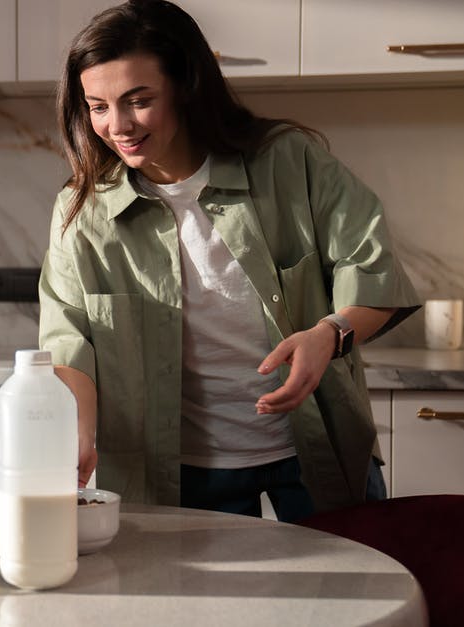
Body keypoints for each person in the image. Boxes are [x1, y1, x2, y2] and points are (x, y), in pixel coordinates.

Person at [39, 0, 420, 521]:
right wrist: (79, 433)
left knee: (345, 595)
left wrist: (329, 333)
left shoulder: (288, 161)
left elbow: (372, 267)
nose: (118, 125)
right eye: (98, 106)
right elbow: (68, 339)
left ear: (187, 86)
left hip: (315, 448)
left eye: (138, 100)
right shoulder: (81, 210)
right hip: (176, 471)